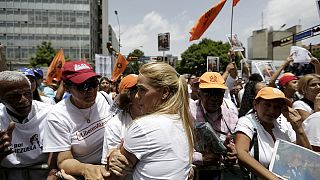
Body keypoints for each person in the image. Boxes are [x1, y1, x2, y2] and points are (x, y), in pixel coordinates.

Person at [115, 62, 194, 179]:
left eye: (142, 90)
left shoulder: (144, 126)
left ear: (164, 92)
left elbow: (114, 174)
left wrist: (114, 153)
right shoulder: (183, 122)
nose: (137, 96)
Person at [43, 61, 113, 180]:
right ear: (66, 88)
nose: (90, 90)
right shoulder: (57, 117)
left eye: (93, 83)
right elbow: (64, 160)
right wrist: (86, 169)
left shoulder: (104, 98)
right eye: (82, 86)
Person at [235, 87, 311, 179]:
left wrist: (299, 129)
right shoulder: (247, 122)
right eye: (267, 105)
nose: (272, 111)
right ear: (255, 104)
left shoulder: (284, 124)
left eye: (277, 107)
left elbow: (307, 158)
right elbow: (241, 153)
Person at [0, 71, 53, 180]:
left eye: (28, 93)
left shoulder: (50, 113)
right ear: (1, 98)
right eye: (13, 96)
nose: (24, 100)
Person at [190, 72, 238, 179]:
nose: (214, 98)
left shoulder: (231, 116)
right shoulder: (188, 113)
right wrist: (201, 158)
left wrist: (233, 152)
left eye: (218, 93)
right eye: (208, 92)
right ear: (199, 93)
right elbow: (178, 149)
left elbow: (235, 145)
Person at [101, 74, 142, 179]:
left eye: (145, 88)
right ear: (127, 96)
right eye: (138, 89)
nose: (143, 93)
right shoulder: (115, 125)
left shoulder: (158, 117)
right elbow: (114, 169)